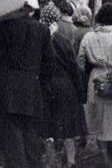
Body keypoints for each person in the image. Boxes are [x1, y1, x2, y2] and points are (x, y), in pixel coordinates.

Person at [0, 14, 54, 168]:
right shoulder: (42, 29)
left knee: (13, 140)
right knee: (31, 138)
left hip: (8, 90)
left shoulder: (6, 26)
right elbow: (49, 62)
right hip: (32, 88)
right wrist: (40, 84)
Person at [78, 3, 112, 168]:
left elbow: (80, 62)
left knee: (99, 120)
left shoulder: (89, 37)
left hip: (96, 78)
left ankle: (105, 159)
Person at [45, 31, 86, 168]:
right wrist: (80, 91)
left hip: (47, 85)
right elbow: (74, 67)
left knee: (49, 123)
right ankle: (71, 160)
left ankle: (51, 160)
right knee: (69, 124)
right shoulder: (63, 40)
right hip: (65, 84)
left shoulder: (41, 38)